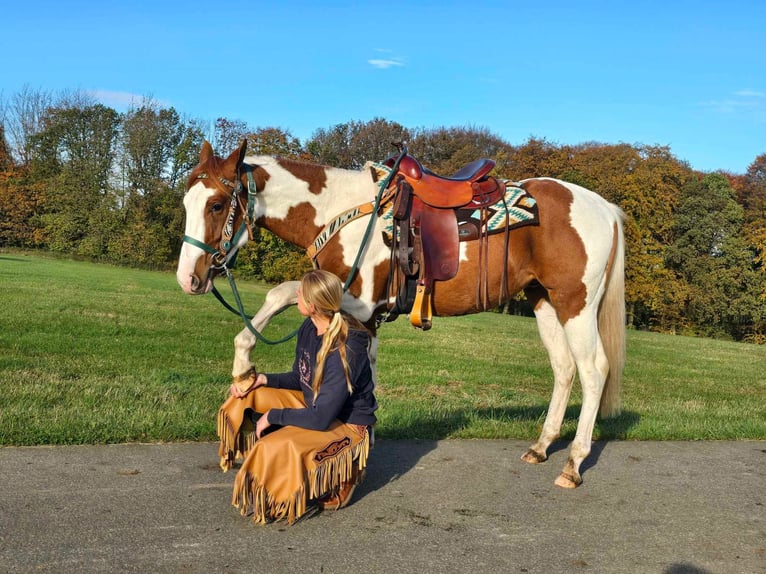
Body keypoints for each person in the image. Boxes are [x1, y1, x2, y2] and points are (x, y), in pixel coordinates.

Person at [216, 269, 377, 524]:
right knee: (245, 398)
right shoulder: (309, 326)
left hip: (346, 424)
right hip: (315, 405)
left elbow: (322, 417)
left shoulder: (347, 346)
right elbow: (300, 376)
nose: (296, 296)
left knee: (274, 447)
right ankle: (267, 451)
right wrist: (263, 380)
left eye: (300, 293)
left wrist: (273, 416)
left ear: (312, 306)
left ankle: (347, 470)